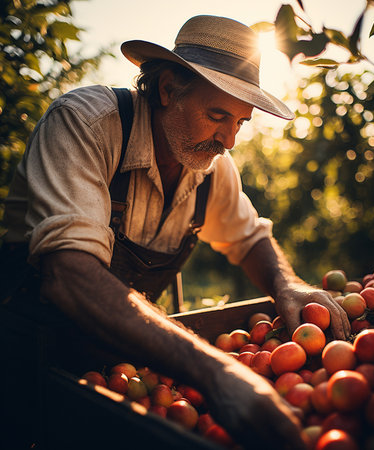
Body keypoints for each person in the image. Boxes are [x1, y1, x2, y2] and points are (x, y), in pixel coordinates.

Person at [1, 15, 350, 449]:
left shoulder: (212, 169)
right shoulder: (86, 125)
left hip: (120, 368)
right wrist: (215, 372)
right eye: (217, 115)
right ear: (167, 89)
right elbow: (68, 275)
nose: (229, 141)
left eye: (240, 122)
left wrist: (287, 284)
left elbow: (249, 237)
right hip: (25, 354)